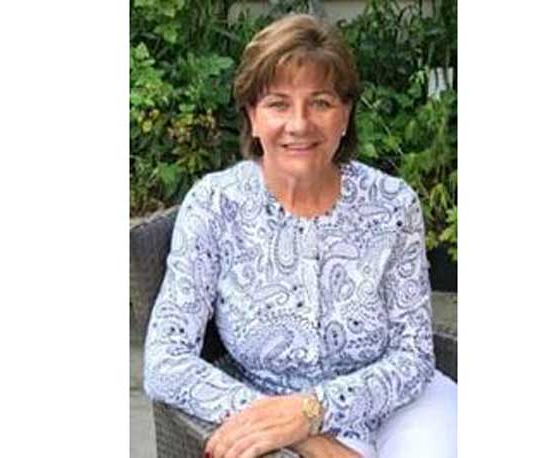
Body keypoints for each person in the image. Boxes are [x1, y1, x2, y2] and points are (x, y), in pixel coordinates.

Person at [144, 13, 457, 458]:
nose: (299, 124)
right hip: (272, 410)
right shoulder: (216, 205)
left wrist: (314, 410)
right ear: (252, 116)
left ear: (346, 115)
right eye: (278, 104)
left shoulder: (392, 204)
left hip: (399, 406)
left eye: (321, 103)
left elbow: (413, 354)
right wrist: (299, 430)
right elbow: (165, 362)